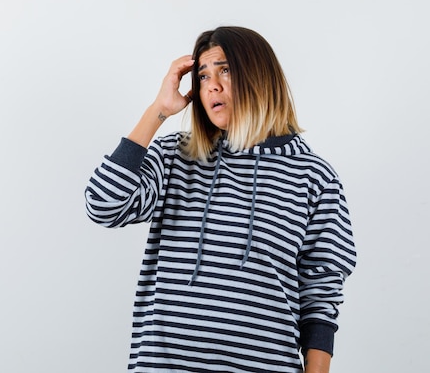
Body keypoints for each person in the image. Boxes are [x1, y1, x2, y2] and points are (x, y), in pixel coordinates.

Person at [84, 26, 356, 373]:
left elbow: (321, 296)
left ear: (259, 75)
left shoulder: (314, 177)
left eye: (225, 70)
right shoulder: (175, 156)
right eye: (202, 76)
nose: (211, 84)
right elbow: (104, 204)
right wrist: (158, 110)